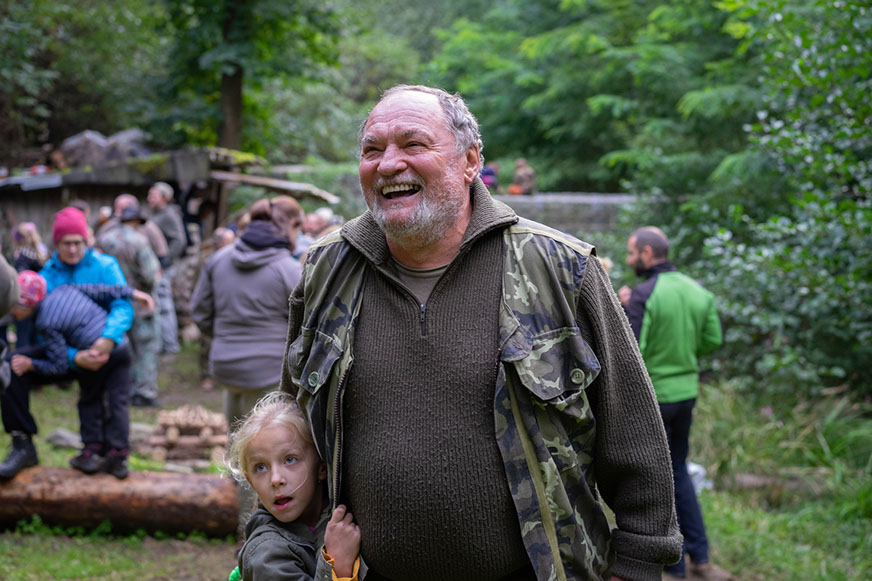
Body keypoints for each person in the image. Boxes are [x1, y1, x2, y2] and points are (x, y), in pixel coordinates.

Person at [281, 85, 681, 581]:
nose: (388, 164)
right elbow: (288, 432)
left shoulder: (561, 268)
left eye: (413, 144)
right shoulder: (325, 270)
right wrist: (272, 540)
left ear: (469, 160)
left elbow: (633, 429)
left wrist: (639, 562)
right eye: (372, 149)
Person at [618, 227, 731, 581]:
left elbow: (631, 348)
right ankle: (700, 555)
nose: (629, 260)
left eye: (632, 253)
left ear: (647, 254)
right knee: (679, 471)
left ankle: (675, 564)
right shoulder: (698, 291)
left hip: (656, 398)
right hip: (686, 394)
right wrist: (684, 356)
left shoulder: (644, 294)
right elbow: (713, 339)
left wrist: (625, 309)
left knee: (658, 479)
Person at [190, 195, 304, 533]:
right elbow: (305, 322)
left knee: (239, 446)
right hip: (269, 372)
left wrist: (225, 339)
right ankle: (255, 532)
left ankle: (243, 521)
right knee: (268, 454)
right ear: (288, 227)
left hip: (226, 367)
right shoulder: (287, 268)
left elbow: (200, 311)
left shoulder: (218, 260)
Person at [1, 271, 151, 480]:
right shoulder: (65, 288)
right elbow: (103, 291)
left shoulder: (46, 322)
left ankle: (91, 452)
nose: (12, 312)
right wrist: (133, 292)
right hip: (121, 347)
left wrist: (31, 364)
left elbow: (60, 365)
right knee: (118, 403)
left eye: (14, 307)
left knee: (90, 400)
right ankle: (118, 457)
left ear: (27, 305)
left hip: (95, 355)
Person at [225, 390, 361, 581]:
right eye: (261, 467)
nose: (275, 479)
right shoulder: (266, 554)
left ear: (321, 467)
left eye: (290, 460)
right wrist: (337, 567)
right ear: (251, 482)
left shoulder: (331, 511)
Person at [96, 205, 163, 407]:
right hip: (140, 302)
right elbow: (150, 275)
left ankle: (116, 388)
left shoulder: (104, 239)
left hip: (112, 303)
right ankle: (144, 392)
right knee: (145, 347)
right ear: (136, 222)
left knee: (116, 346)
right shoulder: (139, 241)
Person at [147, 181, 185, 355]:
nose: (149, 198)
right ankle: (162, 343)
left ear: (165, 198)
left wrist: (165, 261)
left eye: (153, 195)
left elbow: (179, 240)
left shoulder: (169, 215)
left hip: (163, 267)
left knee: (164, 305)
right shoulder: (157, 214)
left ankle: (170, 345)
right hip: (155, 266)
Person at [196, 227, 235, 392]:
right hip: (210, 306)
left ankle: (223, 374)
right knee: (206, 342)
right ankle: (206, 376)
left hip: (226, 306)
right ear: (220, 243)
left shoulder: (233, 258)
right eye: (229, 241)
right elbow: (198, 285)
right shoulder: (207, 259)